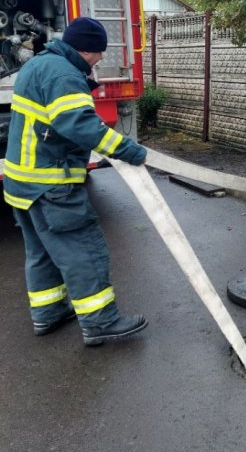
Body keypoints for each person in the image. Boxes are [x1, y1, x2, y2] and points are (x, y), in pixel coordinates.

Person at [3, 17, 148, 346]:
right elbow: (80, 125)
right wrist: (128, 150)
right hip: (50, 184)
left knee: (41, 252)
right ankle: (101, 322)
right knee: (83, 250)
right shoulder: (64, 74)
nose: (99, 60)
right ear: (87, 49)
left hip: (22, 184)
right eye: (99, 54)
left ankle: (48, 312)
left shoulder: (40, 64)